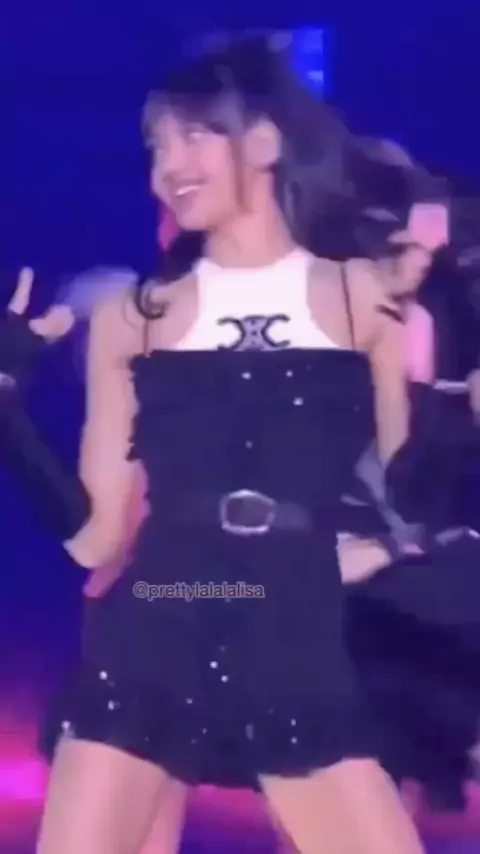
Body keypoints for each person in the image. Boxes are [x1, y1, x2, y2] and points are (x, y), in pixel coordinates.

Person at [1, 36, 424, 853]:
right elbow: (97, 542)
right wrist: (5, 409)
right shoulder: (134, 320)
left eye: (193, 135)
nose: (168, 166)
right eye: (156, 146)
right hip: (155, 623)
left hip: (292, 638)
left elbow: (413, 492)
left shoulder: (362, 301)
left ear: (263, 141)